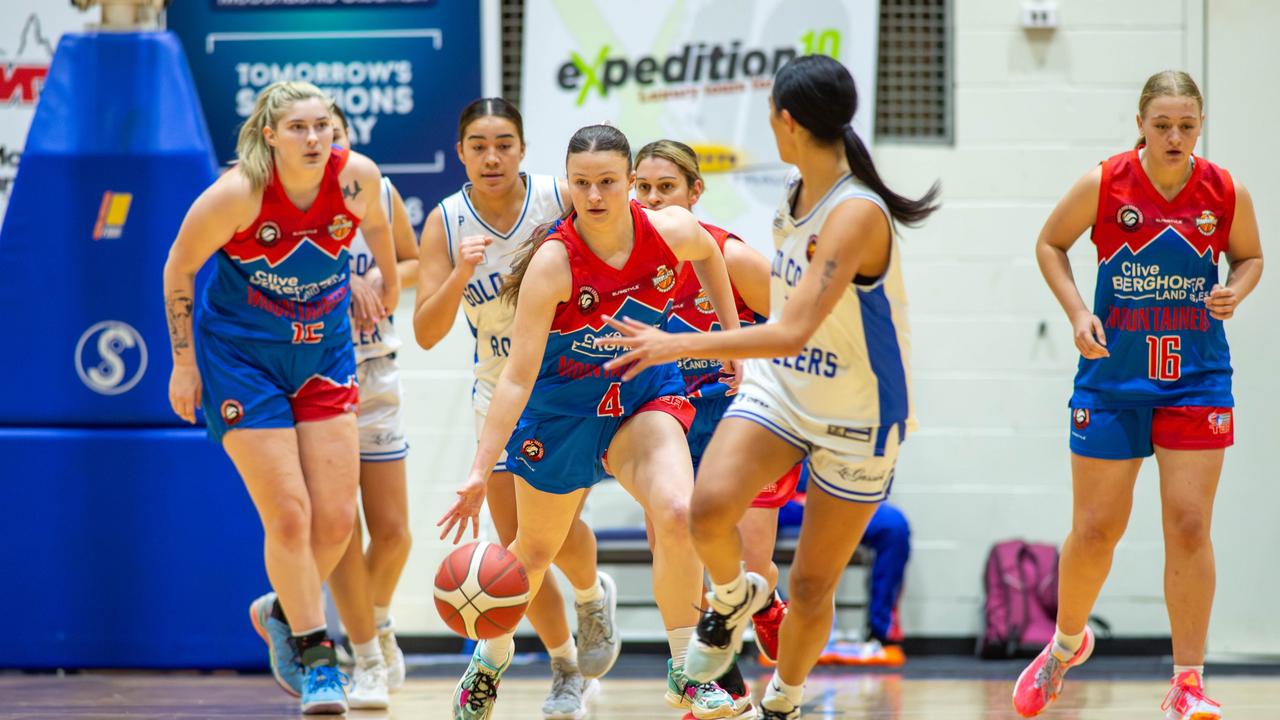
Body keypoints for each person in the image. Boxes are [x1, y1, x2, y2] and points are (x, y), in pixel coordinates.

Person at [598, 54, 940, 720]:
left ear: (787, 121)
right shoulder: (796, 193)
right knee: (703, 512)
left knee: (812, 587)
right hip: (784, 393)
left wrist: (678, 343)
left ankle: (782, 700)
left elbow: (789, 331)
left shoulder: (856, 214)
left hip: (857, 411)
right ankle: (733, 597)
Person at [436, 123, 745, 720]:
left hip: (641, 395)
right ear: (568, 184)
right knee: (530, 553)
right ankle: (490, 659)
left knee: (679, 513)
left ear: (631, 182)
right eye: (582, 184)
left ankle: (685, 670)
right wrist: (479, 471)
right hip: (563, 408)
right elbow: (518, 378)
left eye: (608, 182)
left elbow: (710, 256)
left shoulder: (672, 229)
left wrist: (729, 341)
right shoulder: (552, 263)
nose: (595, 196)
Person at [1011, 70, 1262, 720]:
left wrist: (1240, 286)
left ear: (1200, 125)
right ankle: (1065, 646)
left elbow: (1250, 257)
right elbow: (1048, 243)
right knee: (1096, 530)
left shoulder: (1225, 190)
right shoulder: (1106, 182)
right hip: (1113, 376)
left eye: (1187, 125)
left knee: (1188, 524)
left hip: (1196, 375)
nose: (1175, 136)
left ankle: (1187, 682)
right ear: (1140, 124)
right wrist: (1075, 313)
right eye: (1163, 125)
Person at [163, 80, 400, 715]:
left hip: (323, 351)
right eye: (299, 127)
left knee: (337, 521)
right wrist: (184, 363)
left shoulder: (359, 178)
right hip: (242, 359)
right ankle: (318, 658)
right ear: (270, 135)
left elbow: (381, 228)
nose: (315, 138)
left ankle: (280, 606)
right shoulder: (238, 193)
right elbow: (179, 267)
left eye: (323, 125)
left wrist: (381, 275)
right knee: (290, 516)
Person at [413, 99, 620, 719]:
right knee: (514, 546)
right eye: (478, 144)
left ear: (524, 148)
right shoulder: (446, 222)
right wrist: (459, 274)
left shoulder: (561, 197)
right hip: (495, 390)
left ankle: (586, 599)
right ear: (461, 153)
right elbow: (425, 332)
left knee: (545, 537)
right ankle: (563, 667)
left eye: (504, 142)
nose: (492, 156)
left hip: (566, 388)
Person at [633, 138, 785, 719]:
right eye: (641, 187)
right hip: (666, 418)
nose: (651, 199)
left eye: (665, 187)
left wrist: (744, 359)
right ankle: (727, 690)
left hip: (739, 418)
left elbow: (803, 326)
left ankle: (766, 602)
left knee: (747, 567)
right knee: (678, 550)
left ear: (695, 192)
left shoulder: (732, 255)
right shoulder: (621, 263)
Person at [321, 106, 418, 710]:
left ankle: (375, 621)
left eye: (334, 134)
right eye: (311, 133)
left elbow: (409, 262)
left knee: (395, 534)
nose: (324, 143)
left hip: (376, 367)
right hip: (317, 374)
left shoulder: (378, 189)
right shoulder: (279, 203)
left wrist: (384, 282)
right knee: (339, 530)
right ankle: (363, 658)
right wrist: (337, 281)